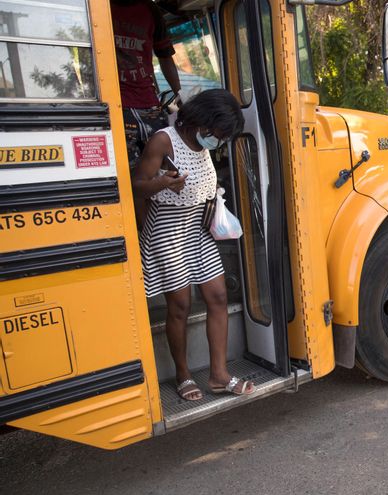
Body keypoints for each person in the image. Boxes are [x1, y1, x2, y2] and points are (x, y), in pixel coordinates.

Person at [132, 89, 253, 401]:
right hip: (166, 230)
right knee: (181, 305)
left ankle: (218, 375)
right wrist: (163, 183)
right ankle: (184, 375)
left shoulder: (203, 144)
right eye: (218, 133)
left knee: (217, 295)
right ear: (202, 121)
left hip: (197, 229)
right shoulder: (163, 140)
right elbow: (137, 186)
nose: (219, 141)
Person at [111, 0, 182, 226]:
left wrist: (180, 95)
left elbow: (165, 57)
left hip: (150, 105)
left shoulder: (150, 11)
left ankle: (161, 229)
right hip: (117, 108)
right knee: (135, 179)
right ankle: (146, 234)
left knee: (166, 171)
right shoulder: (98, 7)